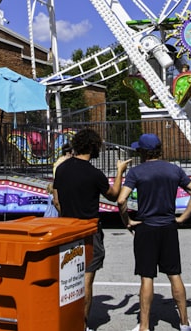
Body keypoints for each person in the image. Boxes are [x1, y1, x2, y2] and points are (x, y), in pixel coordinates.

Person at [117, 133, 191, 331]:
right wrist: (182, 218)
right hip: (168, 227)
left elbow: (121, 200)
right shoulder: (174, 170)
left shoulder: (136, 172)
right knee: (174, 274)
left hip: (146, 227)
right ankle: (183, 322)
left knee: (147, 276)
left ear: (142, 152)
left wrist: (128, 221)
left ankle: (145, 326)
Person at [52, 129, 131, 331]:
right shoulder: (94, 173)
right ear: (93, 147)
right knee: (86, 279)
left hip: (66, 230)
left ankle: (66, 321)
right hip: (89, 230)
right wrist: (120, 170)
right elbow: (114, 195)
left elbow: (57, 201)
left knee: (68, 280)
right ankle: (82, 325)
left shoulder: (61, 169)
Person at [43, 142, 73, 218]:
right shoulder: (63, 163)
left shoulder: (60, 162)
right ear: (68, 153)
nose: (73, 155)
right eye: (72, 153)